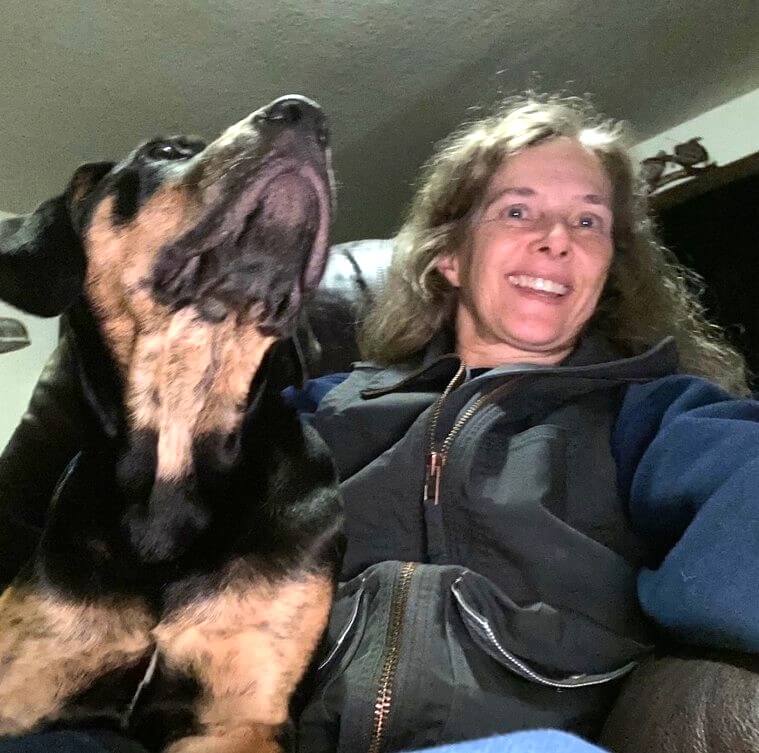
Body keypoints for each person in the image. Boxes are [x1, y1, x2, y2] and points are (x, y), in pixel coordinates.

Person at [1, 94, 758, 753]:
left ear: (607, 268)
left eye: (588, 221)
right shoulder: (313, 414)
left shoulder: (655, 412)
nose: (557, 237)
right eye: (517, 210)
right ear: (449, 255)